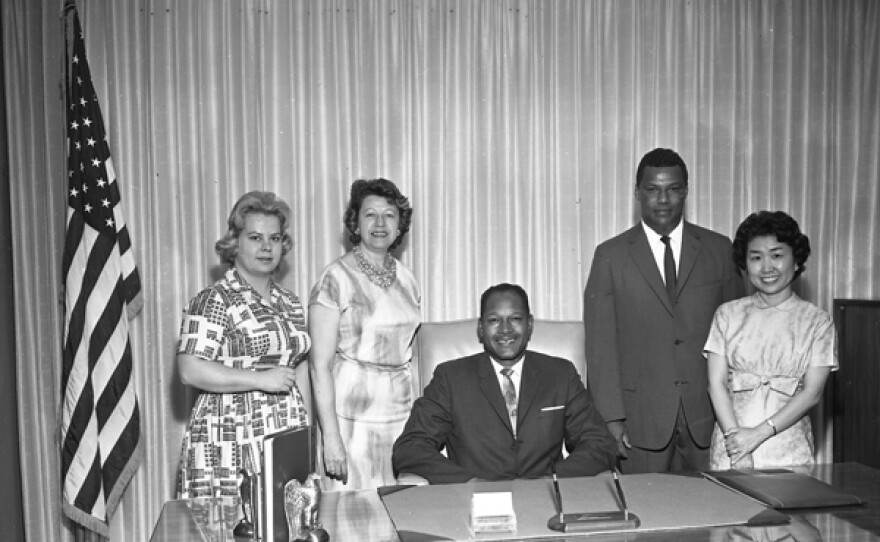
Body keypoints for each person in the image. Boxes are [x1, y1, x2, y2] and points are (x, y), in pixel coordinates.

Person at [583, 148, 744, 474]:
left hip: (709, 416)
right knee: (648, 514)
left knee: (714, 514)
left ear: (685, 191)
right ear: (637, 193)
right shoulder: (610, 255)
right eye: (653, 189)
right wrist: (611, 418)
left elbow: (738, 337)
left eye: (673, 188)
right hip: (640, 420)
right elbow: (600, 347)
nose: (663, 199)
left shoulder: (718, 248)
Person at [392, 283, 616, 484]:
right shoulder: (450, 378)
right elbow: (410, 448)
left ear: (530, 325)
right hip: (475, 506)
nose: (505, 329)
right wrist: (469, 483)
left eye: (515, 319)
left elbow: (600, 443)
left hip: (546, 503)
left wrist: (552, 482)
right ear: (481, 328)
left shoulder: (560, 375)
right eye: (494, 320)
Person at [175, 191, 311, 498]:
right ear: (235, 243)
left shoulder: (289, 302)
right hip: (228, 435)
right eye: (255, 237)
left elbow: (298, 369)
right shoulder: (214, 299)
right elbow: (189, 369)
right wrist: (260, 380)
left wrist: (307, 432)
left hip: (284, 430)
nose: (266, 247)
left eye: (274, 238)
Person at [309, 178, 421, 490]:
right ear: (355, 224)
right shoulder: (334, 279)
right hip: (351, 419)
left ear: (400, 226)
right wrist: (331, 439)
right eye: (370, 214)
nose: (381, 223)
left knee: (399, 511)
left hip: (401, 414)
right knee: (353, 518)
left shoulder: (408, 280)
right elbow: (318, 367)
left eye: (390, 215)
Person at [705, 211, 837, 469]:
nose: (766, 267)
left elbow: (812, 393)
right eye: (756, 258)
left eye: (777, 256)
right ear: (745, 264)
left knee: (790, 511)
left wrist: (756, 435)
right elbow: (715, 383)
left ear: (796, 260)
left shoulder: (818, 322)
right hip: (731, 450)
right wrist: (736, 442)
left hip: (788, 450)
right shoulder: (727, 314)